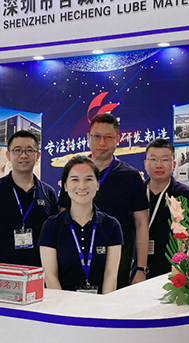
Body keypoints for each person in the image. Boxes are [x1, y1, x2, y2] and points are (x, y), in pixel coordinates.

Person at [59, 113, 149, 288]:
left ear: (118, 139)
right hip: (77, 250)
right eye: (96, 136)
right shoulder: (74, 171)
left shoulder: (131, 176)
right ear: (88, 137)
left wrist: (141, 268)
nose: (102, 143)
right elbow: (63, 215)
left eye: (108, 137)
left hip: (118, 253)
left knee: (114, 302)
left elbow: (141, 224)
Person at [0, 130, 59, 267]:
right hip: (0, 272)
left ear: (37, 156)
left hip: (38, 271)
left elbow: (54, 235)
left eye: (29, 150)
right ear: (8, 155)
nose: (23, 155)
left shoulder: (48, 193)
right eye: (17, 150)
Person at [40, 156, 123, 294]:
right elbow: (50, 275)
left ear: (97, 184)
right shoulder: (51, 226)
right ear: (65, 186)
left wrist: (103, 305)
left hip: (100, 303)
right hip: (61, 303)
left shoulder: (112, 226)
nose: (82, 186)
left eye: (89, 179)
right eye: (75, 179)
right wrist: (63, 305)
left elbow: (111, 275)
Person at [142, 138, 189, 279]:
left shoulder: (186, 195)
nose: (159, 165)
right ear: (145, 164)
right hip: (139, 267)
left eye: (165, 160)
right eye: (153, 159)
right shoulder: (136, 193)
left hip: (175, 269)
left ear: (174, 165)